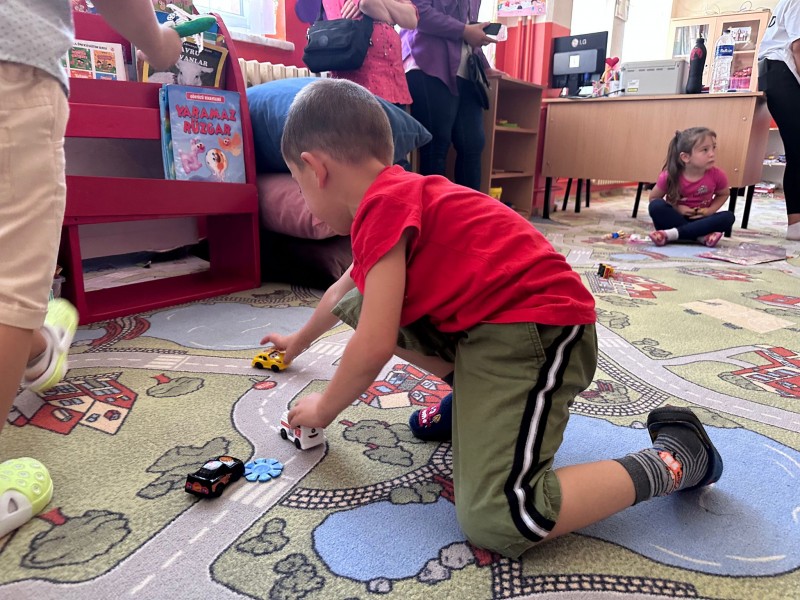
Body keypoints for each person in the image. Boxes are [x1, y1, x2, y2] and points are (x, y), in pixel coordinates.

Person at [261, 78, 724, 559]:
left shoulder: (384, 207)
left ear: (316, 169)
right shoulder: (394, 197)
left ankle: (679, 458)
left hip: (542, 332)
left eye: (297, 183)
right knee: (363, 299)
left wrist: (324, 408)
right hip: (493, 325)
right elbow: (343, 291)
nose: (303, 198)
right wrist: (298, 341)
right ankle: (474, 399)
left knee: (501, 518)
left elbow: (374, 343)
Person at [0, 0, 182, 539]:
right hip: (15, 65)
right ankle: (32, 341)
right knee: (12, 287)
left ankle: (36, 346)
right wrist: (158, 43)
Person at [400, 0, 497, 190]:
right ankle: (436, 208)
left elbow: (469, 28)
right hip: (428, 62)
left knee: (473, 144)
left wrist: (485, 65)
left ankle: (470, 208)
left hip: (466, 70)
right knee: (436, 146)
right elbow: (417, 12)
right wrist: (464, 31)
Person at [295, 0, 418, 105]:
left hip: (395, 78)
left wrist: (380, 5)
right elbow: (367, 4)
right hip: (360, 83)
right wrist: (392, 16)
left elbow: (412, 19)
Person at [647, 127, 735, 248]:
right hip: (674, 218)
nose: (712, 154)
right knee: (656, 206)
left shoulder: (718, 175)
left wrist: (709, 211)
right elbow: (654, 198)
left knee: (728, 217)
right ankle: (700, 237)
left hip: (701, 220)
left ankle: (672, 234)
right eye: (705, 150)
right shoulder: (669, 175)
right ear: (685, 157)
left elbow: (723, 194)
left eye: (713, 148)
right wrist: (678, 208)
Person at [758, 0, 800, 241]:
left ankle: (796, 224)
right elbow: (798, 48)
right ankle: (796, 224)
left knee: (796, 149)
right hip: (782, 73)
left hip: (774, 73)